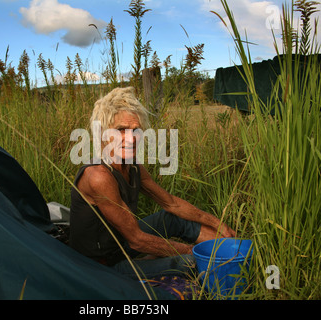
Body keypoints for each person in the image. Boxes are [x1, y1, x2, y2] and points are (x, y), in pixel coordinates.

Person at [69, 87, 235, 280]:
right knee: (189, 263)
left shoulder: (132, 166)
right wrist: (191, 252)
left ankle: (231, 250)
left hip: (120, 245)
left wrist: (218, 223)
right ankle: (211, 259)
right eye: (121, 130)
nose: (131, 139)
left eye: (136, 130)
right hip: (99, 268)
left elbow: (171, 203)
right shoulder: (98, 176)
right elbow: (137, 240)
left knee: (172, 218)